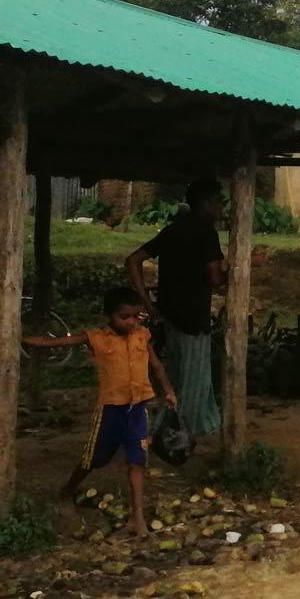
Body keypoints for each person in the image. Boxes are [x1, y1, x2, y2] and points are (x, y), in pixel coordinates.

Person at [24, 288, 176, 537]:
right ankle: (67, 491)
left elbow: (156, 366)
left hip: (137, 408)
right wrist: (22, 339)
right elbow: (56, 342)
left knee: (137, 461)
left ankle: (137, 518)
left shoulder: (142, 336)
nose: (130, 322)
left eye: (135, 316)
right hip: (110, 411)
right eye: (123, 316)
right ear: (108, 316)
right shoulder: (95, 338)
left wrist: (168, 390)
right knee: (92, 460)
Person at [126, 178, 223, 437]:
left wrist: (147, 302)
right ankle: (176, 434)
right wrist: (246, 266)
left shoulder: (173, 230)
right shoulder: (206, 233)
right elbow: (215, 278)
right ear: (206, 203)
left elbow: (133, 260)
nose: (222, 208)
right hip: (193, 318)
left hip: (170, 316)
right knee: (193, 381)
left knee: (177, 378)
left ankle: (175, 429)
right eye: (219, 202)